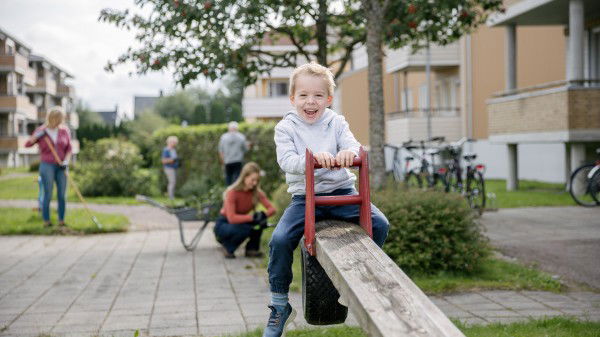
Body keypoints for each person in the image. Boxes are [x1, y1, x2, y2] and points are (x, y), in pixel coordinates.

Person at [262, 62, 390, 337]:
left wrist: (347, 154)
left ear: (328, 99)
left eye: (318, 95)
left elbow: (354, 146)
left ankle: (356, 283)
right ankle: (279, 306)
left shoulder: (336, 122)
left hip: (342, 194)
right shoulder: (286, 128)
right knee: (280, 240)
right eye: (304, 95)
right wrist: (311, 159)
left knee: (379, 224)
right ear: (293, 98)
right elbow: (286, 161)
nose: (311, 101)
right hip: (305, 198)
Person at [214, 162, 276, 259]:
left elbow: (272, 209)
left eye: (257, 180)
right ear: (244, 177)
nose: (255, 183)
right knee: (245, 228)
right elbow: (232, 218)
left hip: (240, 223)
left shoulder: (256, 193)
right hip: (224, 225)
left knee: (260, 223)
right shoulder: (232, 192)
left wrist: (262, 215)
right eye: (252, 180)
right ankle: (227, 247)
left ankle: (252, 249)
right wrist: (253, 217)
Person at [25, 106, 72, 227]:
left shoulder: (64, 130)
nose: (61, 121)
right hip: (47, 166)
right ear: (53, 118)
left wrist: (66, 161)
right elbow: (27, 144)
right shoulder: (42, 130)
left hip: (61, 165)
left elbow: (69, 149)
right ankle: (47, 221)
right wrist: (36, 137)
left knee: (62, 194)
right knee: (48, 193)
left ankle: (61, 220)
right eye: (59, 119)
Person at [218, 121, 250, 185]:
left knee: (228, 179)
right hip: (238, 161)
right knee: (237, 180)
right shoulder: (241, 137)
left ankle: (228, 193)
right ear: (237, 128)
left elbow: (220, 151)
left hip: (227, 162)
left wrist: (223, 162)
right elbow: (246, 149)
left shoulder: (223, 137)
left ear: (229, 128)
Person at [161, 136, 179, 200]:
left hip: (174, 168)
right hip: (169, 168)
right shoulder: (166, 150)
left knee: (173, 182)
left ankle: (172, 196)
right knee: (172, 182)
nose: (174, 144)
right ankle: (170, 197)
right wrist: (172, 160)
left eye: (175, 142)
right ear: (169, 142)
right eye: (173, 142)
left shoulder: (173, 150)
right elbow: (163, 161)